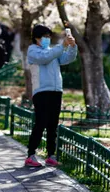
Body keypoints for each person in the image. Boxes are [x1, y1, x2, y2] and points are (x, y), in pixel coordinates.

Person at [25, 25, 77, 167]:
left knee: (53, 124)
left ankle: (51, 155)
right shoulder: (33, 50)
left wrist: (72, 46)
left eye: (49, 36)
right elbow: (45, 58)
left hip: (56, 91)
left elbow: (68, 58)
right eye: (44, 36)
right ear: (36, 38)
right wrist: (62, 46)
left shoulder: (52, 51)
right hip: (41, 91)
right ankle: (31, 154)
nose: (47, 39)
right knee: (41, 122)